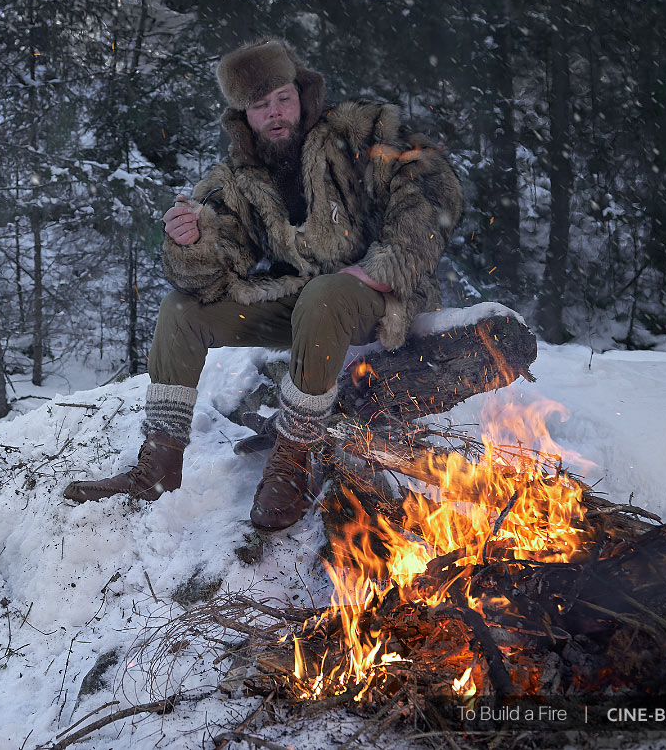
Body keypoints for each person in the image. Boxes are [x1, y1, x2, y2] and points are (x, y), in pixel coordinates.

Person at [63, 38, 464, 530]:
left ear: (302, 94)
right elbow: (215, 268)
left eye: (283, 98)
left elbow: (432, 184)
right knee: (180, 310)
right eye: (259, 105)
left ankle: (293, 460)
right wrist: (192, 241)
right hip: (303, 306)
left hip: (376, 299)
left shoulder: (360, 132)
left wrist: (387, 264)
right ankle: (158, 467)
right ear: (242, 116)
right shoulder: (237, 178)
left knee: (325, 295)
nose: (275, 113)